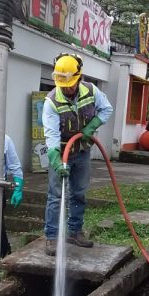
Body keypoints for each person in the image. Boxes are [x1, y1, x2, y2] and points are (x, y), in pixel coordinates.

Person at [43, 53, 114, 256]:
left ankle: (75, 231)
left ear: (79, 77)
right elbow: (51, 134)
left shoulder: (91, 91)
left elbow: (106, 109)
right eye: (63, 84)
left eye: (70, 84)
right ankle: (52, 237)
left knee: (79, 193)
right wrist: (57, 161)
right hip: (61, 152)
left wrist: (91, 127)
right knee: (56, 196)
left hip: (82, 152)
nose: (67, 88)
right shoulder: (51, 102)